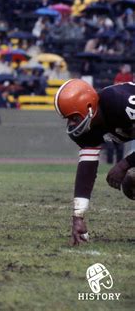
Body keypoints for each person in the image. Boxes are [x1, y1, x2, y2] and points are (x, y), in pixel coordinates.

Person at [54, 79, 135, 246]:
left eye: (74, 117)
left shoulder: (119, 101)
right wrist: (78, 216)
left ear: (89, 106)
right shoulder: (87, 130)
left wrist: (124, 164)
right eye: (68, 119)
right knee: (132, 182)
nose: (71, 124)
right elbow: (87, 170)